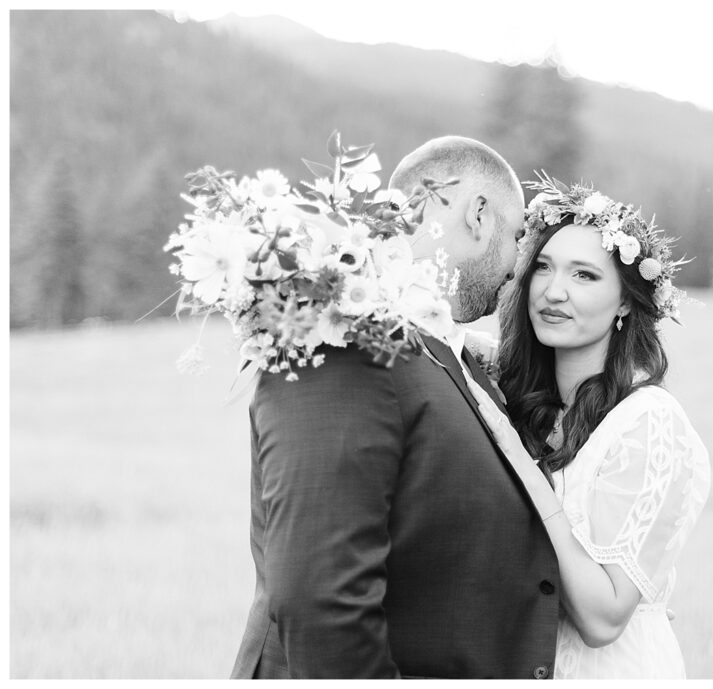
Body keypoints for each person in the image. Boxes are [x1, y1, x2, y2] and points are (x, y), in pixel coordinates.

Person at [230, 136, 561, 679]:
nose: (518, 268)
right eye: (518, 234)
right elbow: (321, 603)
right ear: (479, 215)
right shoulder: (341, 338)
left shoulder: (443, 351)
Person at [467, 179, 711, 679]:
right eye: (542, 267)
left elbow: (602, 618)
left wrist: (521, 463)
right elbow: (437, 339)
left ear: (625, 302)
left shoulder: (647, 421)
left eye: (584, 275)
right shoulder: (513, 395)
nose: (554, 292)